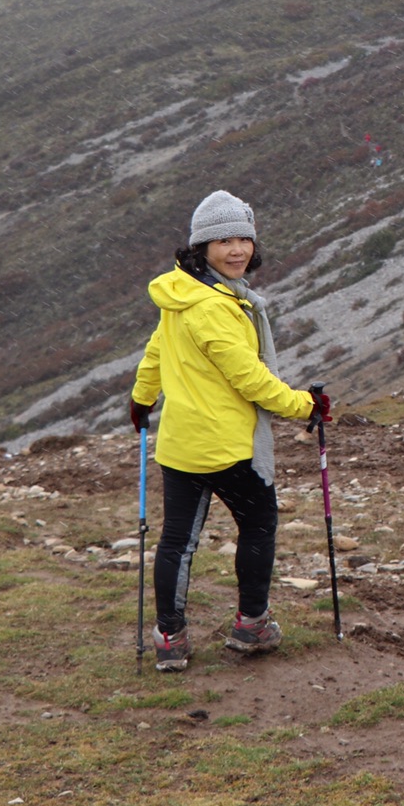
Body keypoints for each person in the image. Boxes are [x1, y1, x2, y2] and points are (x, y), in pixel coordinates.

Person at [128, 190, 326, 671]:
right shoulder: (215, 307)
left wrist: (141, 398)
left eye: (244, 239)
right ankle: (251, 623)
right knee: (258, 526)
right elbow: (251, 379)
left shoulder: (181, 293)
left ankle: (169, 638)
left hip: (180, 445)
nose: (237, 250)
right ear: (202, 248)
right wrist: (306, 407)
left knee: (178, 541)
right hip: (231, 448)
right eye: (223, 241)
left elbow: (156, 352)